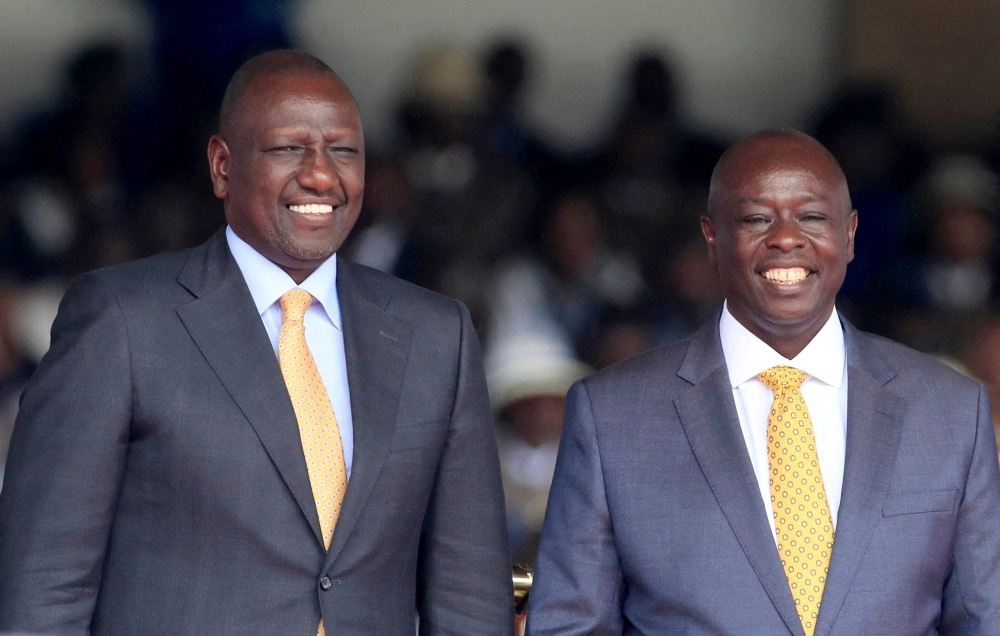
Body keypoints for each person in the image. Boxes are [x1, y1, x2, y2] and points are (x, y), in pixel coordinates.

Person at [0, 50, 513, 635]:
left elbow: (471, 593)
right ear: (221, 166)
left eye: (343, 150)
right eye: (289, 148)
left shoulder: (436, 335)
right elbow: (44, 585)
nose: (322, 175)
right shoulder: (122, 321)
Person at [528, 130, 1000, 635]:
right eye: (756, 218)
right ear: (712, 238)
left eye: (813, 216)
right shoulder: (612, 415)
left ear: (851, 236)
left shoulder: (950, 409)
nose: (787, 238)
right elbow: (572, 625)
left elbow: (983, 618)